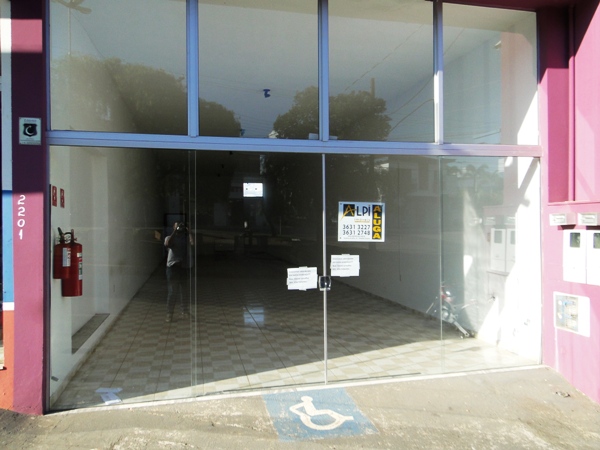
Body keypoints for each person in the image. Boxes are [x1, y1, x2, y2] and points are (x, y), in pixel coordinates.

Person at [164, 221, 194, 322]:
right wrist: (174, 231)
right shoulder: (169, 237)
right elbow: (168, 244)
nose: (179, 228)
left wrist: (189, 232)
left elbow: (192, 243)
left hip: (183, 267)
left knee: (184, 291)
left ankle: (184, 312)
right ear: (173, 227)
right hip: (173, 268)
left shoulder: (185, 239)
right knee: (172, 291)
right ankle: (169, 314)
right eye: (177, 226)